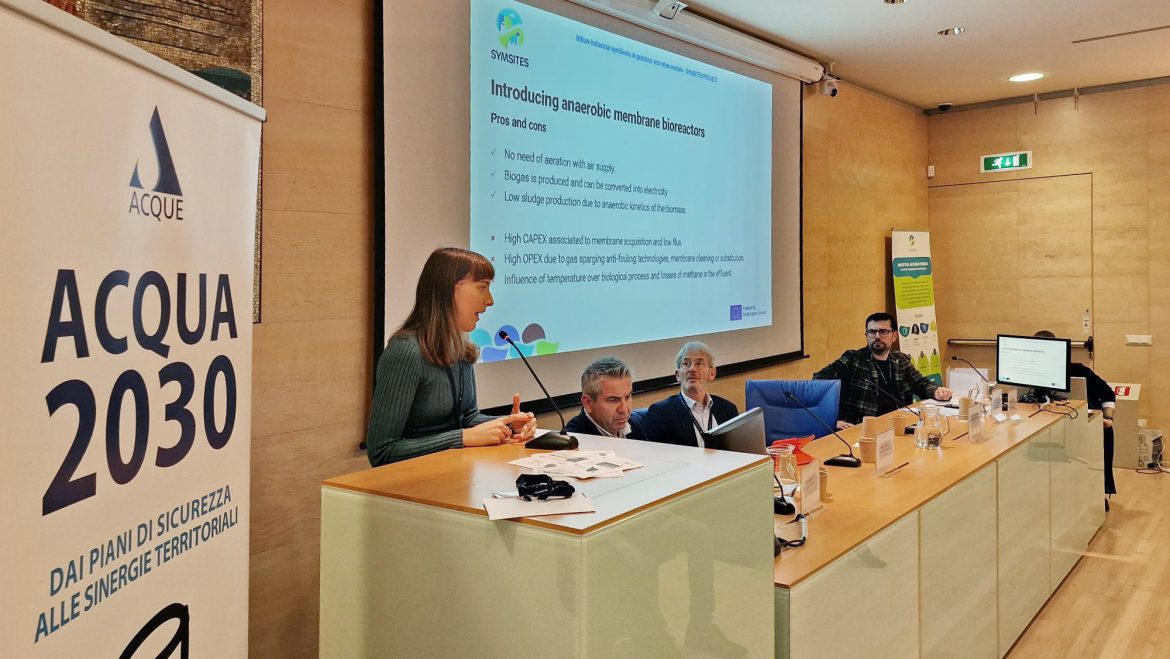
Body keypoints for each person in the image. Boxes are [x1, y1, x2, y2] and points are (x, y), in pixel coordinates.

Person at [366, 247, 536, 466]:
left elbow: (468, 418)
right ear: (449, 289)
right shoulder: (406, 351)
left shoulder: (461, 348)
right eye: (482, 287)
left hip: (455, 474)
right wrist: (462, 438)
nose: (490, 300)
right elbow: (382, 451)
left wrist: (509, 424)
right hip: (413, 482)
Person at [814, 311, 953, 429]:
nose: (877, 336)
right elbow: (818, 382)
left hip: (900, 424)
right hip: (864, 429)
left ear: (894, 336)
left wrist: (936, 391)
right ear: (866, 335)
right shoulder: (853, 360)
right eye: (872, 332)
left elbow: (920, 383)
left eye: (883, 332)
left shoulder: (900, 359)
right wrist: (831, 421)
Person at [1035, 330, 1118, 497]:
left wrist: (1108, 418)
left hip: (1085, 423)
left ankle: (1095, 494)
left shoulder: (1079, 370)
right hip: (1052, 425)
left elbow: (1108, 394)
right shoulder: (1032, 374)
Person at [641, 341, 740, 448]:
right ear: (678, 375)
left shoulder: (728, 409)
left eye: (699, 363)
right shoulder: (660, 414)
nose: (692, 369)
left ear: (712, 374)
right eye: (686, 364)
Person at [564, 357, 647, 439]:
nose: (624, 410)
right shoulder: (573, 439)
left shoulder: (633, 424)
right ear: (588, 403)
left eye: (627, 397)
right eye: (613, 400)